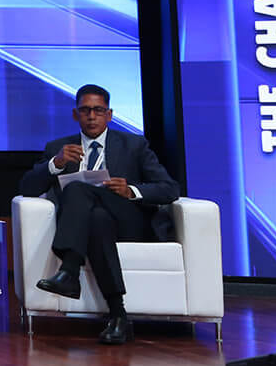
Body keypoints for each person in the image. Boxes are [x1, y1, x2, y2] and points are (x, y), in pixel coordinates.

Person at [20, 84, 180, 345]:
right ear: (75, 114)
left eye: (98, 110)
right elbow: (27, 188)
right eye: (85, 110)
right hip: (92, 226)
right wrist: (56, 164)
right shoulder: (58, 148)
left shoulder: (134, 145)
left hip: (129, 221)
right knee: (96, 219)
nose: (91, 116)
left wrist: (131, 190)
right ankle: (118, 315)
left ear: (109, 114)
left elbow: (170, 188)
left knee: (77, 189)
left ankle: (69, 270)